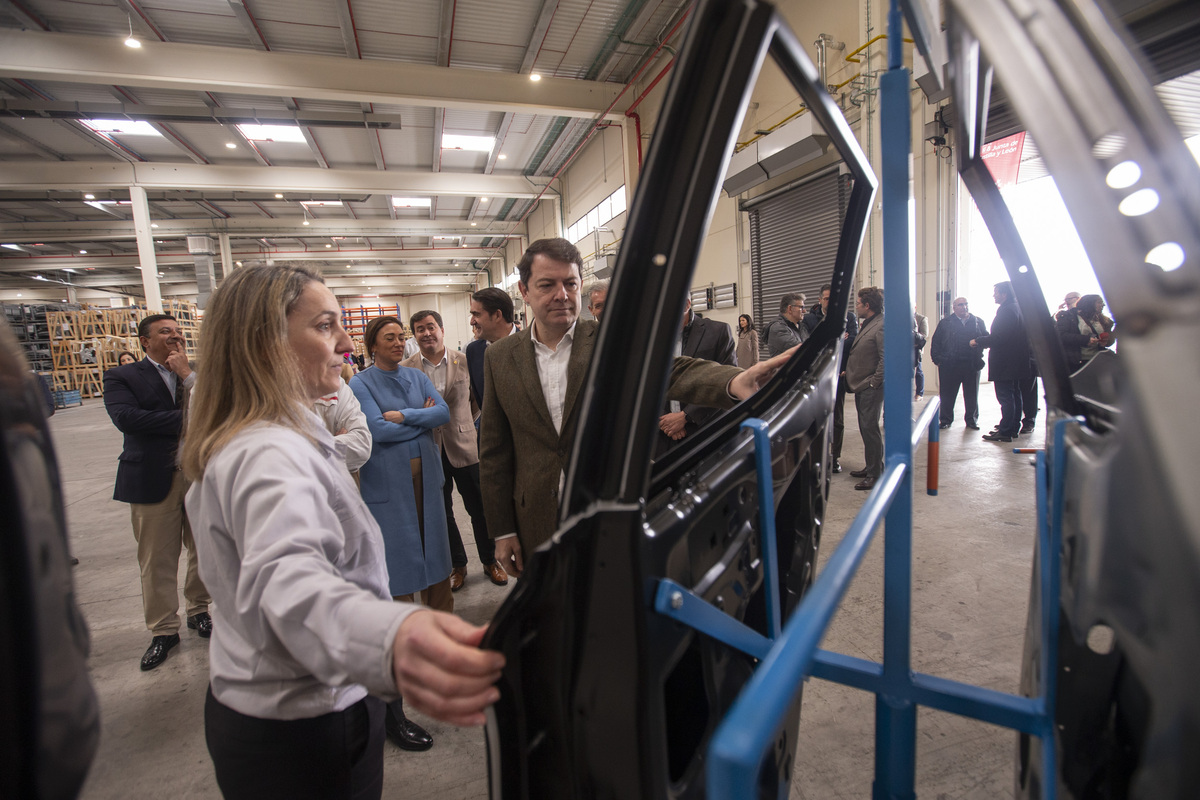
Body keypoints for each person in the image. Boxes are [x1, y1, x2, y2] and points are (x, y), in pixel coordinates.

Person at [182, 265, 503, 799]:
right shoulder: (266, 453)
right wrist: (394, 636)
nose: (347, 342)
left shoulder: (286, 428)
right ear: (267, 343)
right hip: (301, 727)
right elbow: (289, 585)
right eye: (325, 326)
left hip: (294, 702)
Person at [480, 238, 795, 578]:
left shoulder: (610, 341)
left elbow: (673, 369)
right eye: (547, 285)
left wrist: (735, 382)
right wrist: (503, 530)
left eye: (570, 284)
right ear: (524, 292)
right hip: (535, 520)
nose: (562, 294)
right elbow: (495, 452)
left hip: (611, 509)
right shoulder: (499, 357)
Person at [349, 315, 452, 752]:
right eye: (389, 338)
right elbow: (375, 430)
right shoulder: (361, 384)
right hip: (388, 487)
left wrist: (409, 415)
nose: (398, 342)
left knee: (437, 562)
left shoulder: (415, 375)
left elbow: (443, 412)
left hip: (427, 480)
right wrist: (421, 421)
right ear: (372, 345)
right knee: (401, 569)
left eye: (399, 337)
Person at [103, 314, 211, 671]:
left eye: (178, 332)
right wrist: (189, 420)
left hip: (197, 473)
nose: (174, 338)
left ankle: (199, 610)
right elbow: (128, 419)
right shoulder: (123, 376)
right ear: (144, 341)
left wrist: (186, 376)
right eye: (165, 332)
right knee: (157, 558)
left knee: (203, 548)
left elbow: (217, 409)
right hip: (151, 477)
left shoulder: (194, 374)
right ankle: (164, 629)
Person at [402, 310, 508, 592]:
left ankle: (489, 561)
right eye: (420, 329)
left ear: (442, 329)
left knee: (479, 508)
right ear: (414, 335)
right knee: (443, 512)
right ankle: (457, 566)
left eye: (431, 327)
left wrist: (464, 425)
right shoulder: (407, 367)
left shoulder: (464, 361)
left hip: (465, 446)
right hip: (429, 449)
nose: (427, 333)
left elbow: (476, 400)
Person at [658, 298, 738, 451]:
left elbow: (728, 380)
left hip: (704, 430)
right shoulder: (651, 336)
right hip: (663, 433)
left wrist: (685, 416)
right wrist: (664, 420)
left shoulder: (718, 332)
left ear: (687, 304)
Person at [803, 284, 858, 473]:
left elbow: (853, 342)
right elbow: (810, 343)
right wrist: (839, 338)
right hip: (815, 376)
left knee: (838, 420)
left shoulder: (848, 317)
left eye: (833, 298)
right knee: (814, 419)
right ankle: (817, 456)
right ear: (820, 300)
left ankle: (835, 457)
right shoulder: (810, 319)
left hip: (839, 374)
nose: (830, 301)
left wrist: (840, 340)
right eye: (826, 298)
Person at [971, 281, 1033, 442]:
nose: (994, 295)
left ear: (1004, 294)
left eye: (997, 292)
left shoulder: (1006, 311)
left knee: (1006, 397)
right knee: (1015, 395)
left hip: (1006, 362)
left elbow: (999, 338)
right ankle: (1012, 428)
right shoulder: (1017, 308)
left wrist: (978, 341)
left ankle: (1005, 431)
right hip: (1017, 361)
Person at [845, 287, 885, 491]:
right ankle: (874, 465)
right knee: (865, 427)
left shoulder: (881, 325)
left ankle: (874, 474)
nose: (857, 307)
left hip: (870, 386)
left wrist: (874, 382)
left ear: (868, 306)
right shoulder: (869, 323)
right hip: (861, 383)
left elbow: (884, 358)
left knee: (870, 428)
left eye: (859, 303)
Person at [931, 297, 988, 430]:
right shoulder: (945, 323)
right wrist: (938, 360)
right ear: (954, 307)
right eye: (960, 305)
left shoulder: (978, 322)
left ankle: (971, 420)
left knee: (972, 394)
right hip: (950, 365)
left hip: (971, 364)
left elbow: (986, 338)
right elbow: (936, 342)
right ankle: (945, 420)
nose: (964, 307)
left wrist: (979, 350)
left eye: (966, 304)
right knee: (947, 394)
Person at [465, 287, 517, 410]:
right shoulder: (473, 351)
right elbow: (482, 402)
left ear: (497, 315)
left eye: (476, 315)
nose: (472, 322)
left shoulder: (531, 345)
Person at [1056, 292, 1114, 371]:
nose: (1103, 305)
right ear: (1090, 304)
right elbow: (1061, 335)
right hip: (1078, 362)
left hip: (1099, 360)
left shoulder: (1104, 320)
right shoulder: (1068, 317)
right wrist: (1086, 340)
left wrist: (1107, 340)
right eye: (1099, 302)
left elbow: (1109, 342)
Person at [913, 311, 928, 400]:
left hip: (916, 349)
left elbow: (924, 335)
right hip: (903, 349)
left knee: (918, 371)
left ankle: (919, 393)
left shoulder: (921, 318)